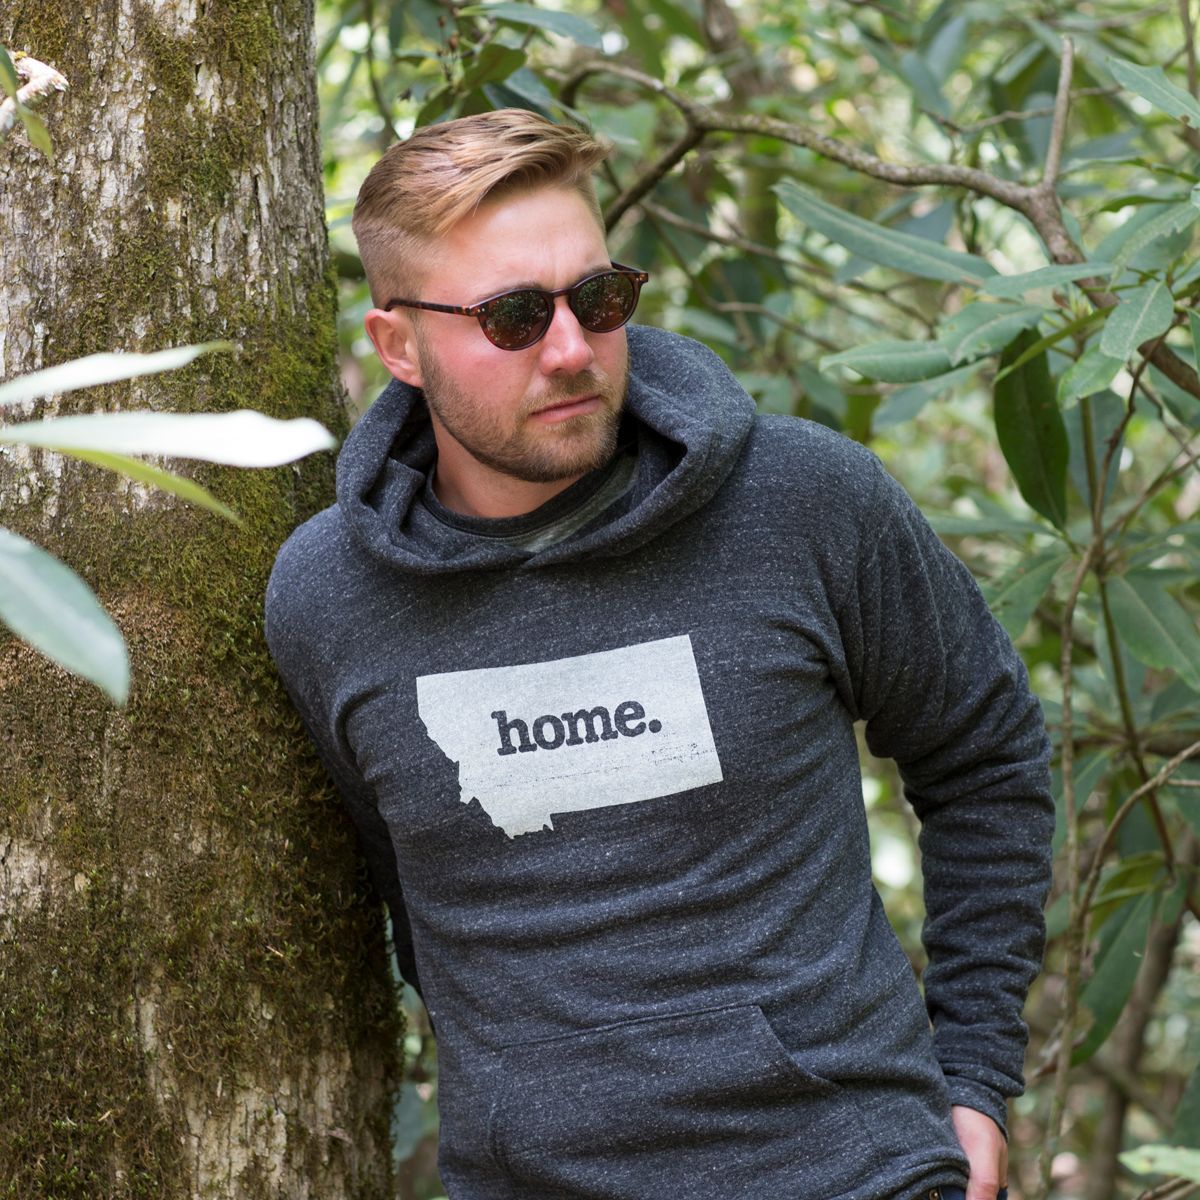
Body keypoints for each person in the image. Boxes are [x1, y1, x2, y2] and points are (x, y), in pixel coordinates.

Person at [265, 108, 1053, 1200]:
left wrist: (974, 1074)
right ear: (399, 346)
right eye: (511, 316)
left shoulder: (805, 503)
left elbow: (986, 756)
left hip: (856, 1169)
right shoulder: (328, 599)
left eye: (598, 298)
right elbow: (403, 888)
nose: (570, 350)